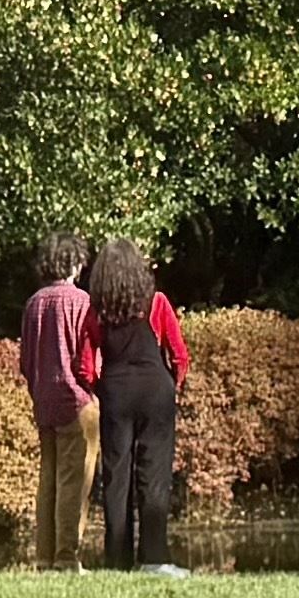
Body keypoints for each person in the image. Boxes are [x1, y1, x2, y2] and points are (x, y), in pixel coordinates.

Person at [82, 236, 192, 573]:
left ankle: (117, 560)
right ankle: (154, 559)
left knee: (116, 478)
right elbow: (179, 354)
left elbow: (85, 365)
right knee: (154, 475)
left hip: (115, 393)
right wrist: (173, 385)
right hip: (155, 390)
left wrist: (101, 389)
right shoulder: (156, 302)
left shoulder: (95, 312)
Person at [13, 235, 96, 571]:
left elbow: (25, 359)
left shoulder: (34, 303)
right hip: (77, 399)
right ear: (74, 263)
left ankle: (44, 556)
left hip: (43, 399)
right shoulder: (81, 301)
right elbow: (90, 356)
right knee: (74, 480)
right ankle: (67, 556)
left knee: (47, 477)